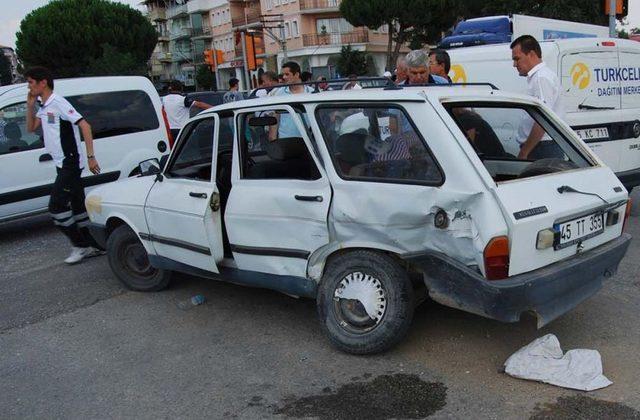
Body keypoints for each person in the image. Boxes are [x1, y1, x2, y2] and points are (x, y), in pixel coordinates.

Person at [24, 67, 102, 264]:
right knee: (78, 208)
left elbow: (85, 125)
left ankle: (80, 246)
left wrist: (91, 156)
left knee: (56, 206)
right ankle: (95, 245)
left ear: (43, 83)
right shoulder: (44, 104)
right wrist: (30, 106)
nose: (28, 86)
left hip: (71, 162)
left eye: (31, 82)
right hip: (61, 163)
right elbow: (31, 128)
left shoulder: (58, 102)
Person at [510, 35, 564, 159]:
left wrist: (525, 152)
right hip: (542, 146)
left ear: (531, 54)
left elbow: (542, 120)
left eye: (517, 59)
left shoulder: (541, 78)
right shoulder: (541, 77)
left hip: (542, 148)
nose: (514, 64)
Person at [269, 61, 314, 140]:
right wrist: (273, 139)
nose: (284, 77)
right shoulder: (279, 93)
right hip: (285, 140)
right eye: (283, 75)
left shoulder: (311, 93)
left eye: (287, 74)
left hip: (309, 140)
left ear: (297, 74)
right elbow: (275, 117)